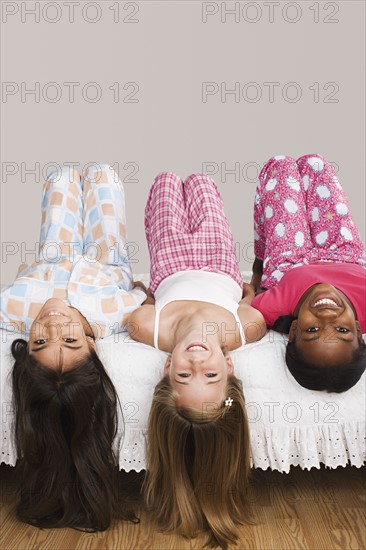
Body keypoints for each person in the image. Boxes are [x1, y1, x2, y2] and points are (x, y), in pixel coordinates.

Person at [0, 164, 147, 530]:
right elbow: (140, 297)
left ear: (24, 349)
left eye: (39, 340)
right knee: (104, 176)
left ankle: (66, 183)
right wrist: (142, 291)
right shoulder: (110, 317)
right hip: (107, 265)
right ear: (94, 348)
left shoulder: (12, 309)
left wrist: (23, 274)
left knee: (63, 177)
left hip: (51, 258)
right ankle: (102, 180)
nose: (52, 324)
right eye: (68, 338)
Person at [128, 171, 266, 548]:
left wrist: (149, 295)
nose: (196, 360)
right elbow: (251, 304)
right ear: (229, 367)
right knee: (204, 185)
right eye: (210, 374)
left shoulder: (150, 329)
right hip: (219, 261)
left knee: (166, 184)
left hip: (170, 263)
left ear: (167, 368)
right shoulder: (240, 331)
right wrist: (247, 293)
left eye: (186, 376)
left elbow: (143, 305)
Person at [251, 154, 366, 392]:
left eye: (312, 330)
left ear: (293, 330)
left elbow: (250, 299)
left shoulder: (272, 309)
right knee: (315, 164)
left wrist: (258, 269)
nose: (327, 318)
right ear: (357, 329)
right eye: (342, 330)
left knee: (281, 167)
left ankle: (264, 252)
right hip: (344, 252)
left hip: (289, 263)